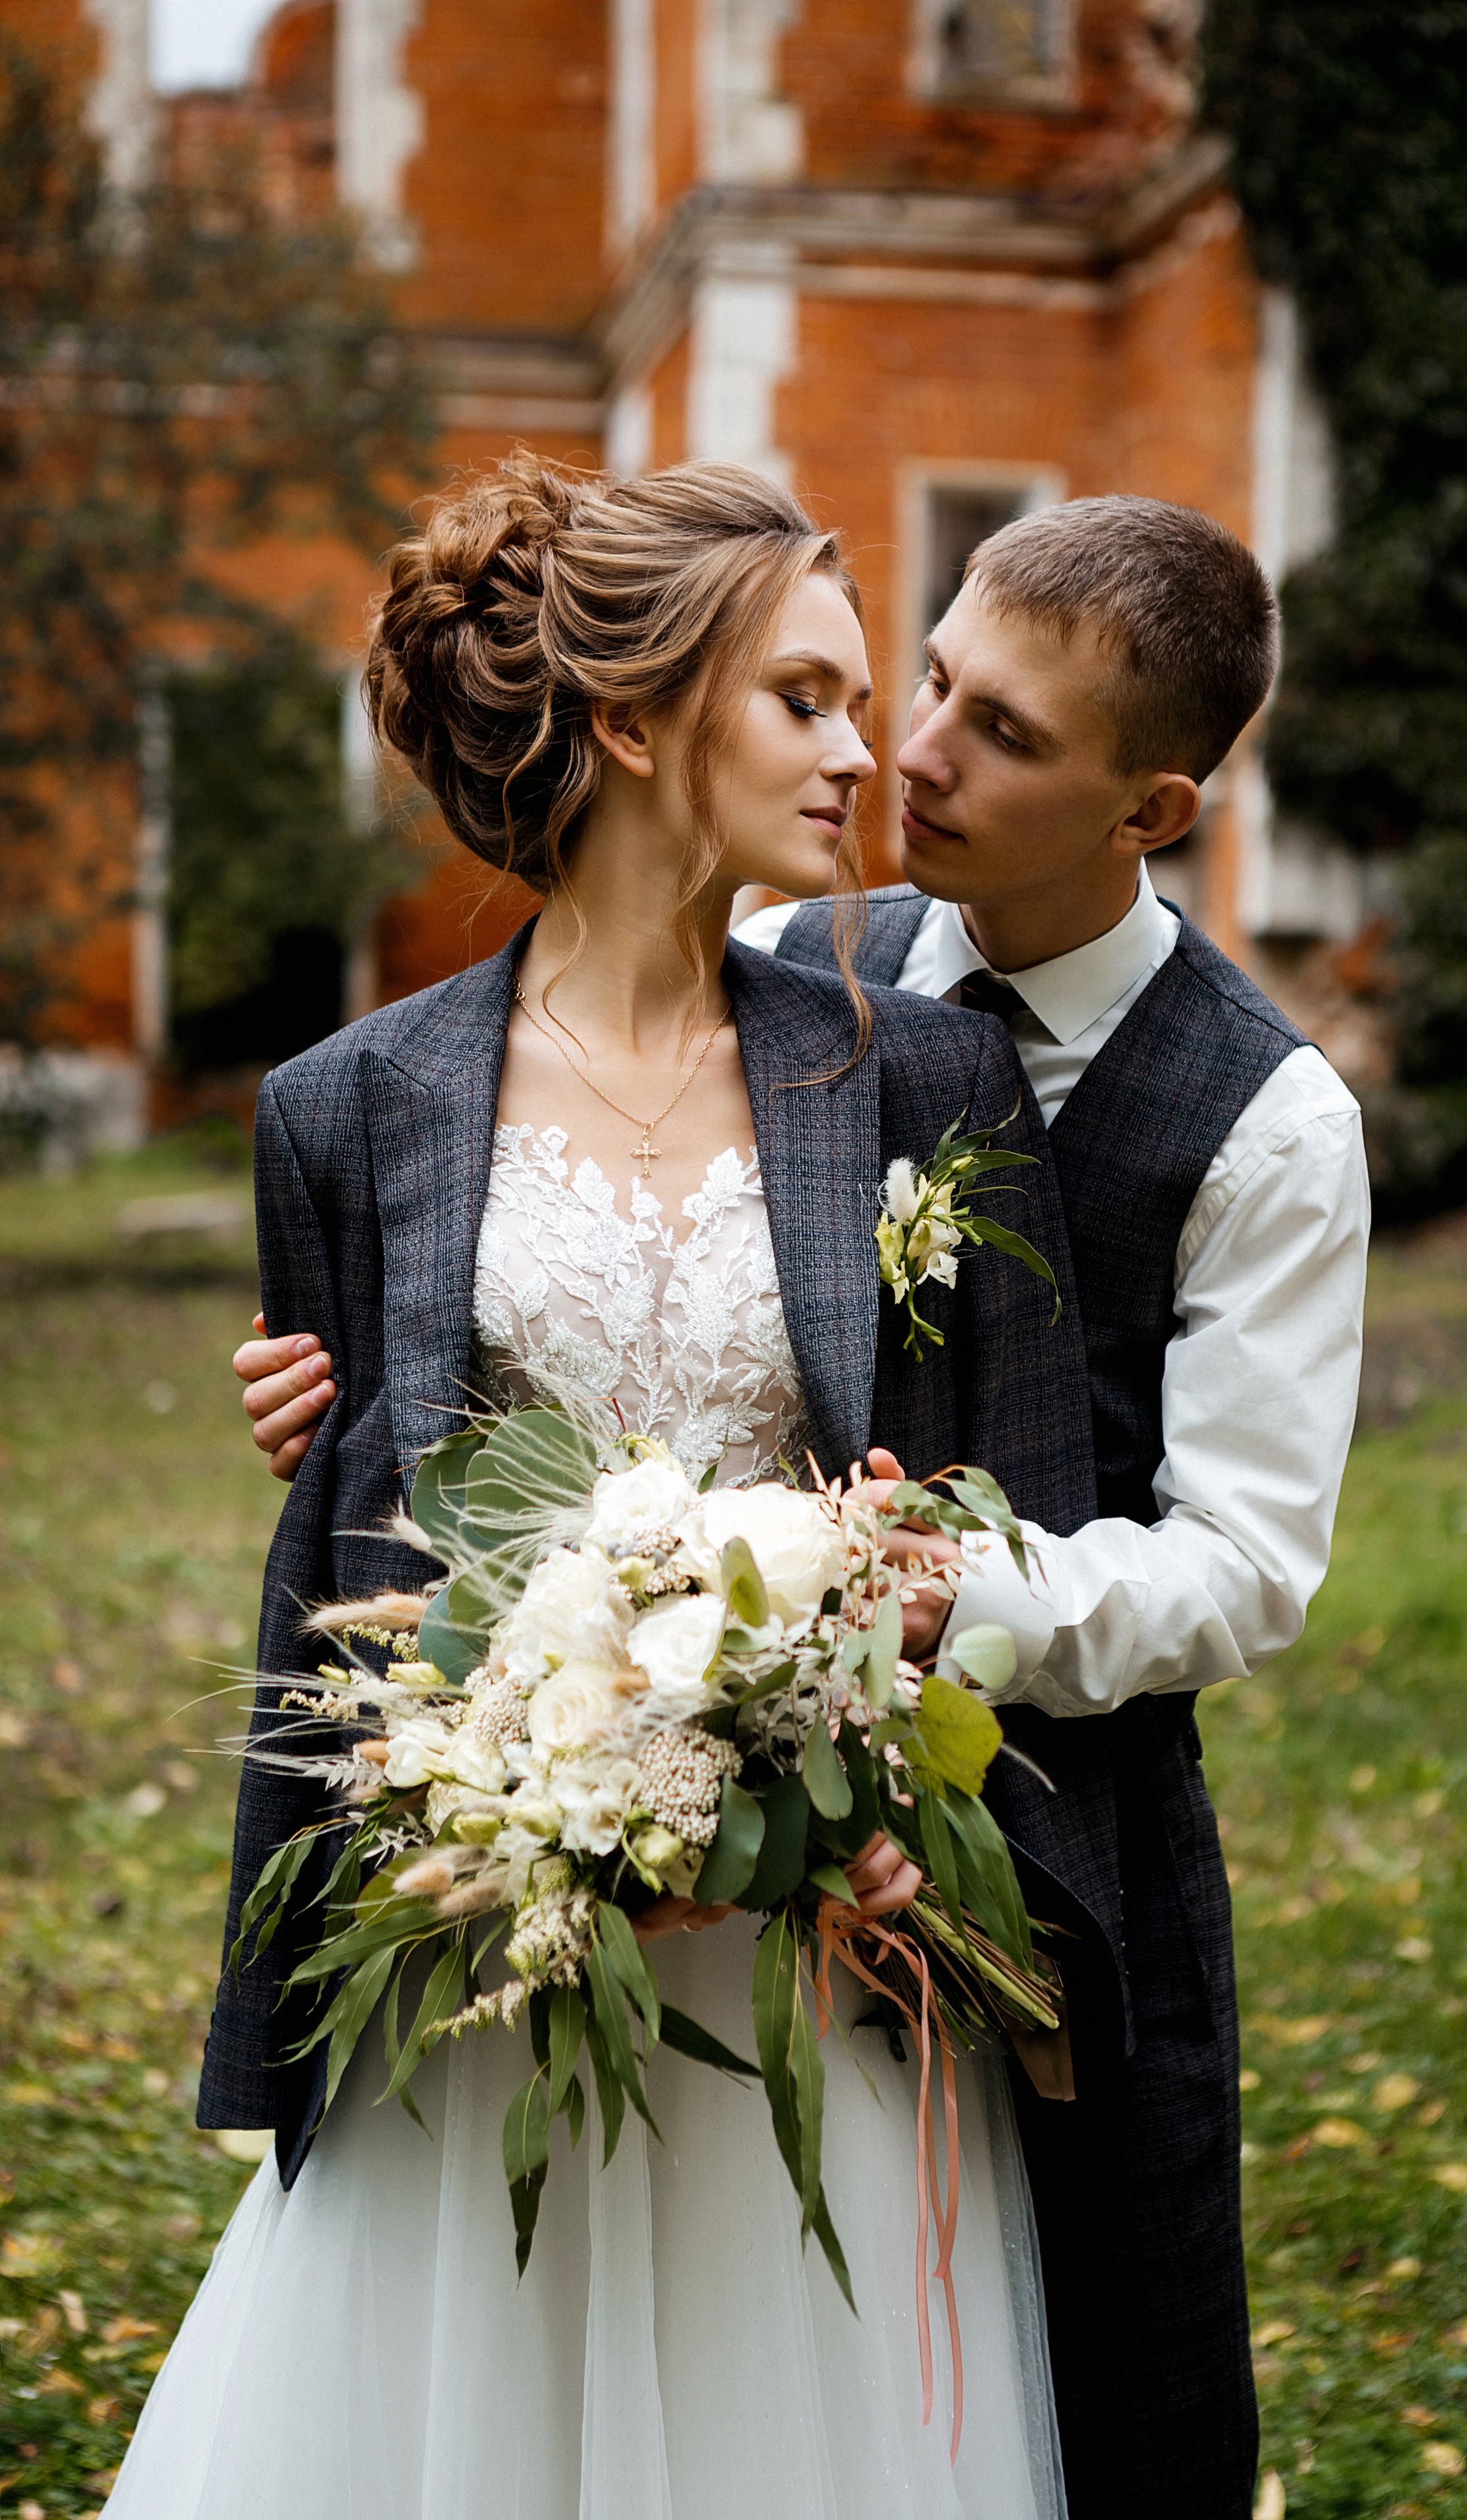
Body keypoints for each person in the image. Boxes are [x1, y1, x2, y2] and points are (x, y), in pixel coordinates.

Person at [236, 491, 1372, 2516]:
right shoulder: (797, 948)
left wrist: (904, 1627)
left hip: (1000, 1807)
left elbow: (1246, 1564)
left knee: (1108, 2374)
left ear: (1154, 805)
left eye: (996, 735)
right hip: (577, 1822)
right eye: (906, 683)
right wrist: (353, 1385)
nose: (906, 754)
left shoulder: (1265, 1121)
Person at [115, 457, 1094, 2520]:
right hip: (503, 1957)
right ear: (638, 720)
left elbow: (1005, 1516)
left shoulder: (922, 1082)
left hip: (824, 1946)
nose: (864, 759)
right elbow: (360, 1561)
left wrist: (909, 1824)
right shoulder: (347, 1108)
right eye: (806, 700)